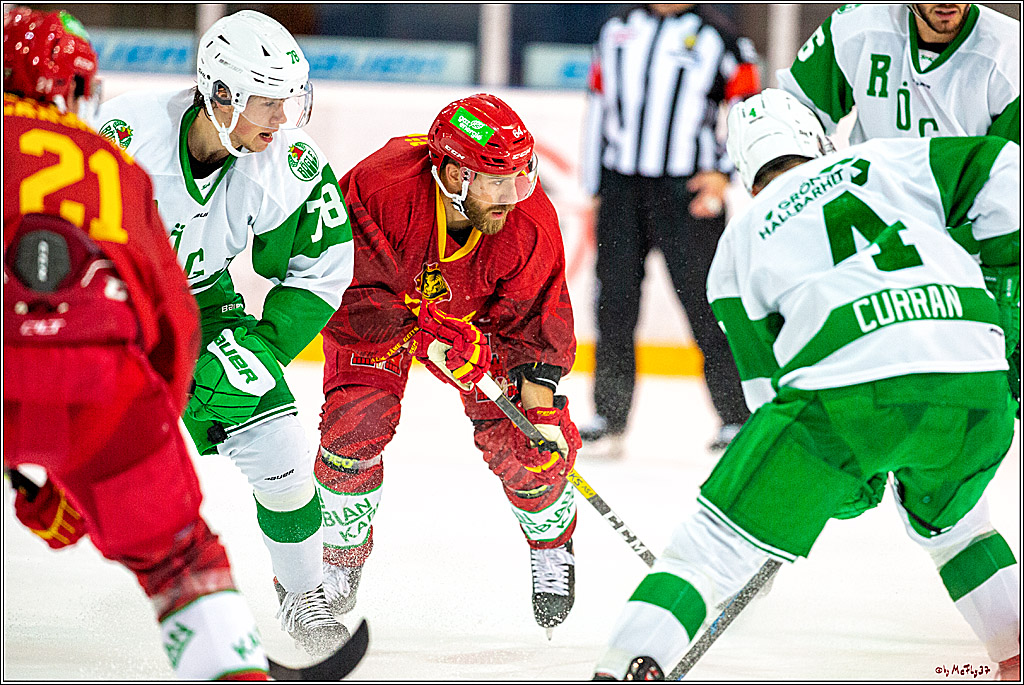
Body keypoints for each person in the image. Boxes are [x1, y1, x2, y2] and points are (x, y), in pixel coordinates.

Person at [592, 89, 1020, 680]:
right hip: (979, 384)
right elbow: (1002, 166)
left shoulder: (737, 247)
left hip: (847, 402)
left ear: (745, 175)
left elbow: (767, 399)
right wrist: (1004, 301)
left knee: (707, 554)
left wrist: (836, 488)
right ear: (821, 142)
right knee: (960, 527)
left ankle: (620, 670)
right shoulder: (889, 160)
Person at [3, 7, 269, 679]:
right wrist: (105, 454)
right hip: (105, 392)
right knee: (180, 557)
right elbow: (173, 325)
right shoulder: (109, 163)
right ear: (77, 89)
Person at [96, 9, 354, 656]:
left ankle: (302, 593)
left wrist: (265, 348)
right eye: (266, 104)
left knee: (283, 446)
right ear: (218, 95)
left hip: (206, 311)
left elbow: (322, 264)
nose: (281, 120)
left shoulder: (287, 163)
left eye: (288, 102)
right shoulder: (126, 134)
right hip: (110, 312)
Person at [313, 93, 581, 633]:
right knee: (355, 424)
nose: (513, 196)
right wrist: (426, 332)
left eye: (520, 179)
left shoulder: (530, 222)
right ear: (454, 174)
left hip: (478, 322)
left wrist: (540, 416)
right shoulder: (378, 189)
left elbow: (534, 324)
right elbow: (342, 289)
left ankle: (552, 543)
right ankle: (338, 563)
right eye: (495, 181)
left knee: (527, 443)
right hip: (387, 313)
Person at [776, 3, 1020, 414]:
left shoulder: (1010, 53)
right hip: (872, 241)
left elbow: (1012, 192)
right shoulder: (856, 25)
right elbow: (789, 113)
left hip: (971, 253)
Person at [579, 4, 762, 456]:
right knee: (614, 304)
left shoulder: (720, 35)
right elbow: (598, 103)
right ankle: (610, 418)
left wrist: (725, 173)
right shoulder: (618, 29)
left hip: (688, 189)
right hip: (622, 187)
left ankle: (737, 417)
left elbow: (747, 109)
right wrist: (595, 184)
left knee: (709, 304)